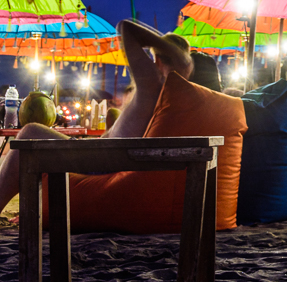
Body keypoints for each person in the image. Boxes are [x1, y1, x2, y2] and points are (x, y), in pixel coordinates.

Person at [0, 19, 194, 211]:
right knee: (32, 137)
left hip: (104, 160)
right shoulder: (173, 90)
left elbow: (125, 27)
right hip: (107, 156)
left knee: (30, 133)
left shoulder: (154, 81)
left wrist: (166, 47)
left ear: (158, 59)